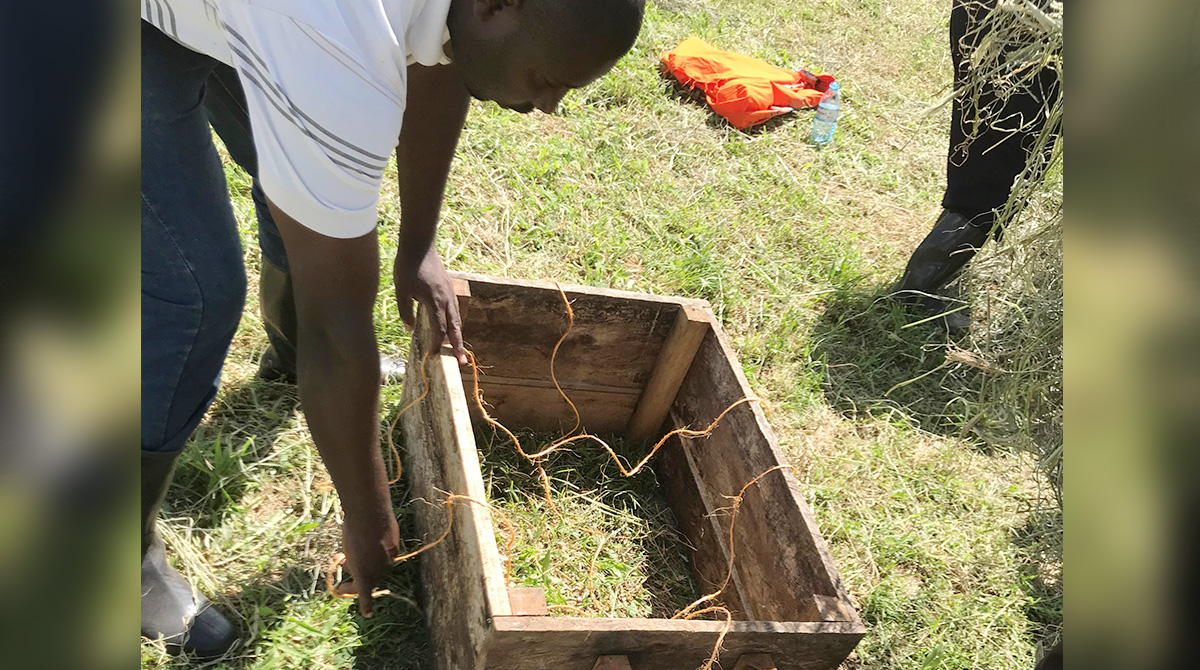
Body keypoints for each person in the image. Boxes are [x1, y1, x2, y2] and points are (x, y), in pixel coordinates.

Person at [141, 0, 645, 657]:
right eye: (548, 82)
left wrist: (417, 246)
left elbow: (439, 53)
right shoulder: (338, 44)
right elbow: (337, 324)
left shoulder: (456, 19)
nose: (547, 108)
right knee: (197, 292)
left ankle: (293, 367)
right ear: (498, 7)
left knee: (303, 190)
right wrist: (369, 512)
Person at [891, 0, 1060, 333]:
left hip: (1010, 25)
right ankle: (915, 291)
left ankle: (938, 263)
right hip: (1028, 34)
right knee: (999, 171)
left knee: (982, 147)